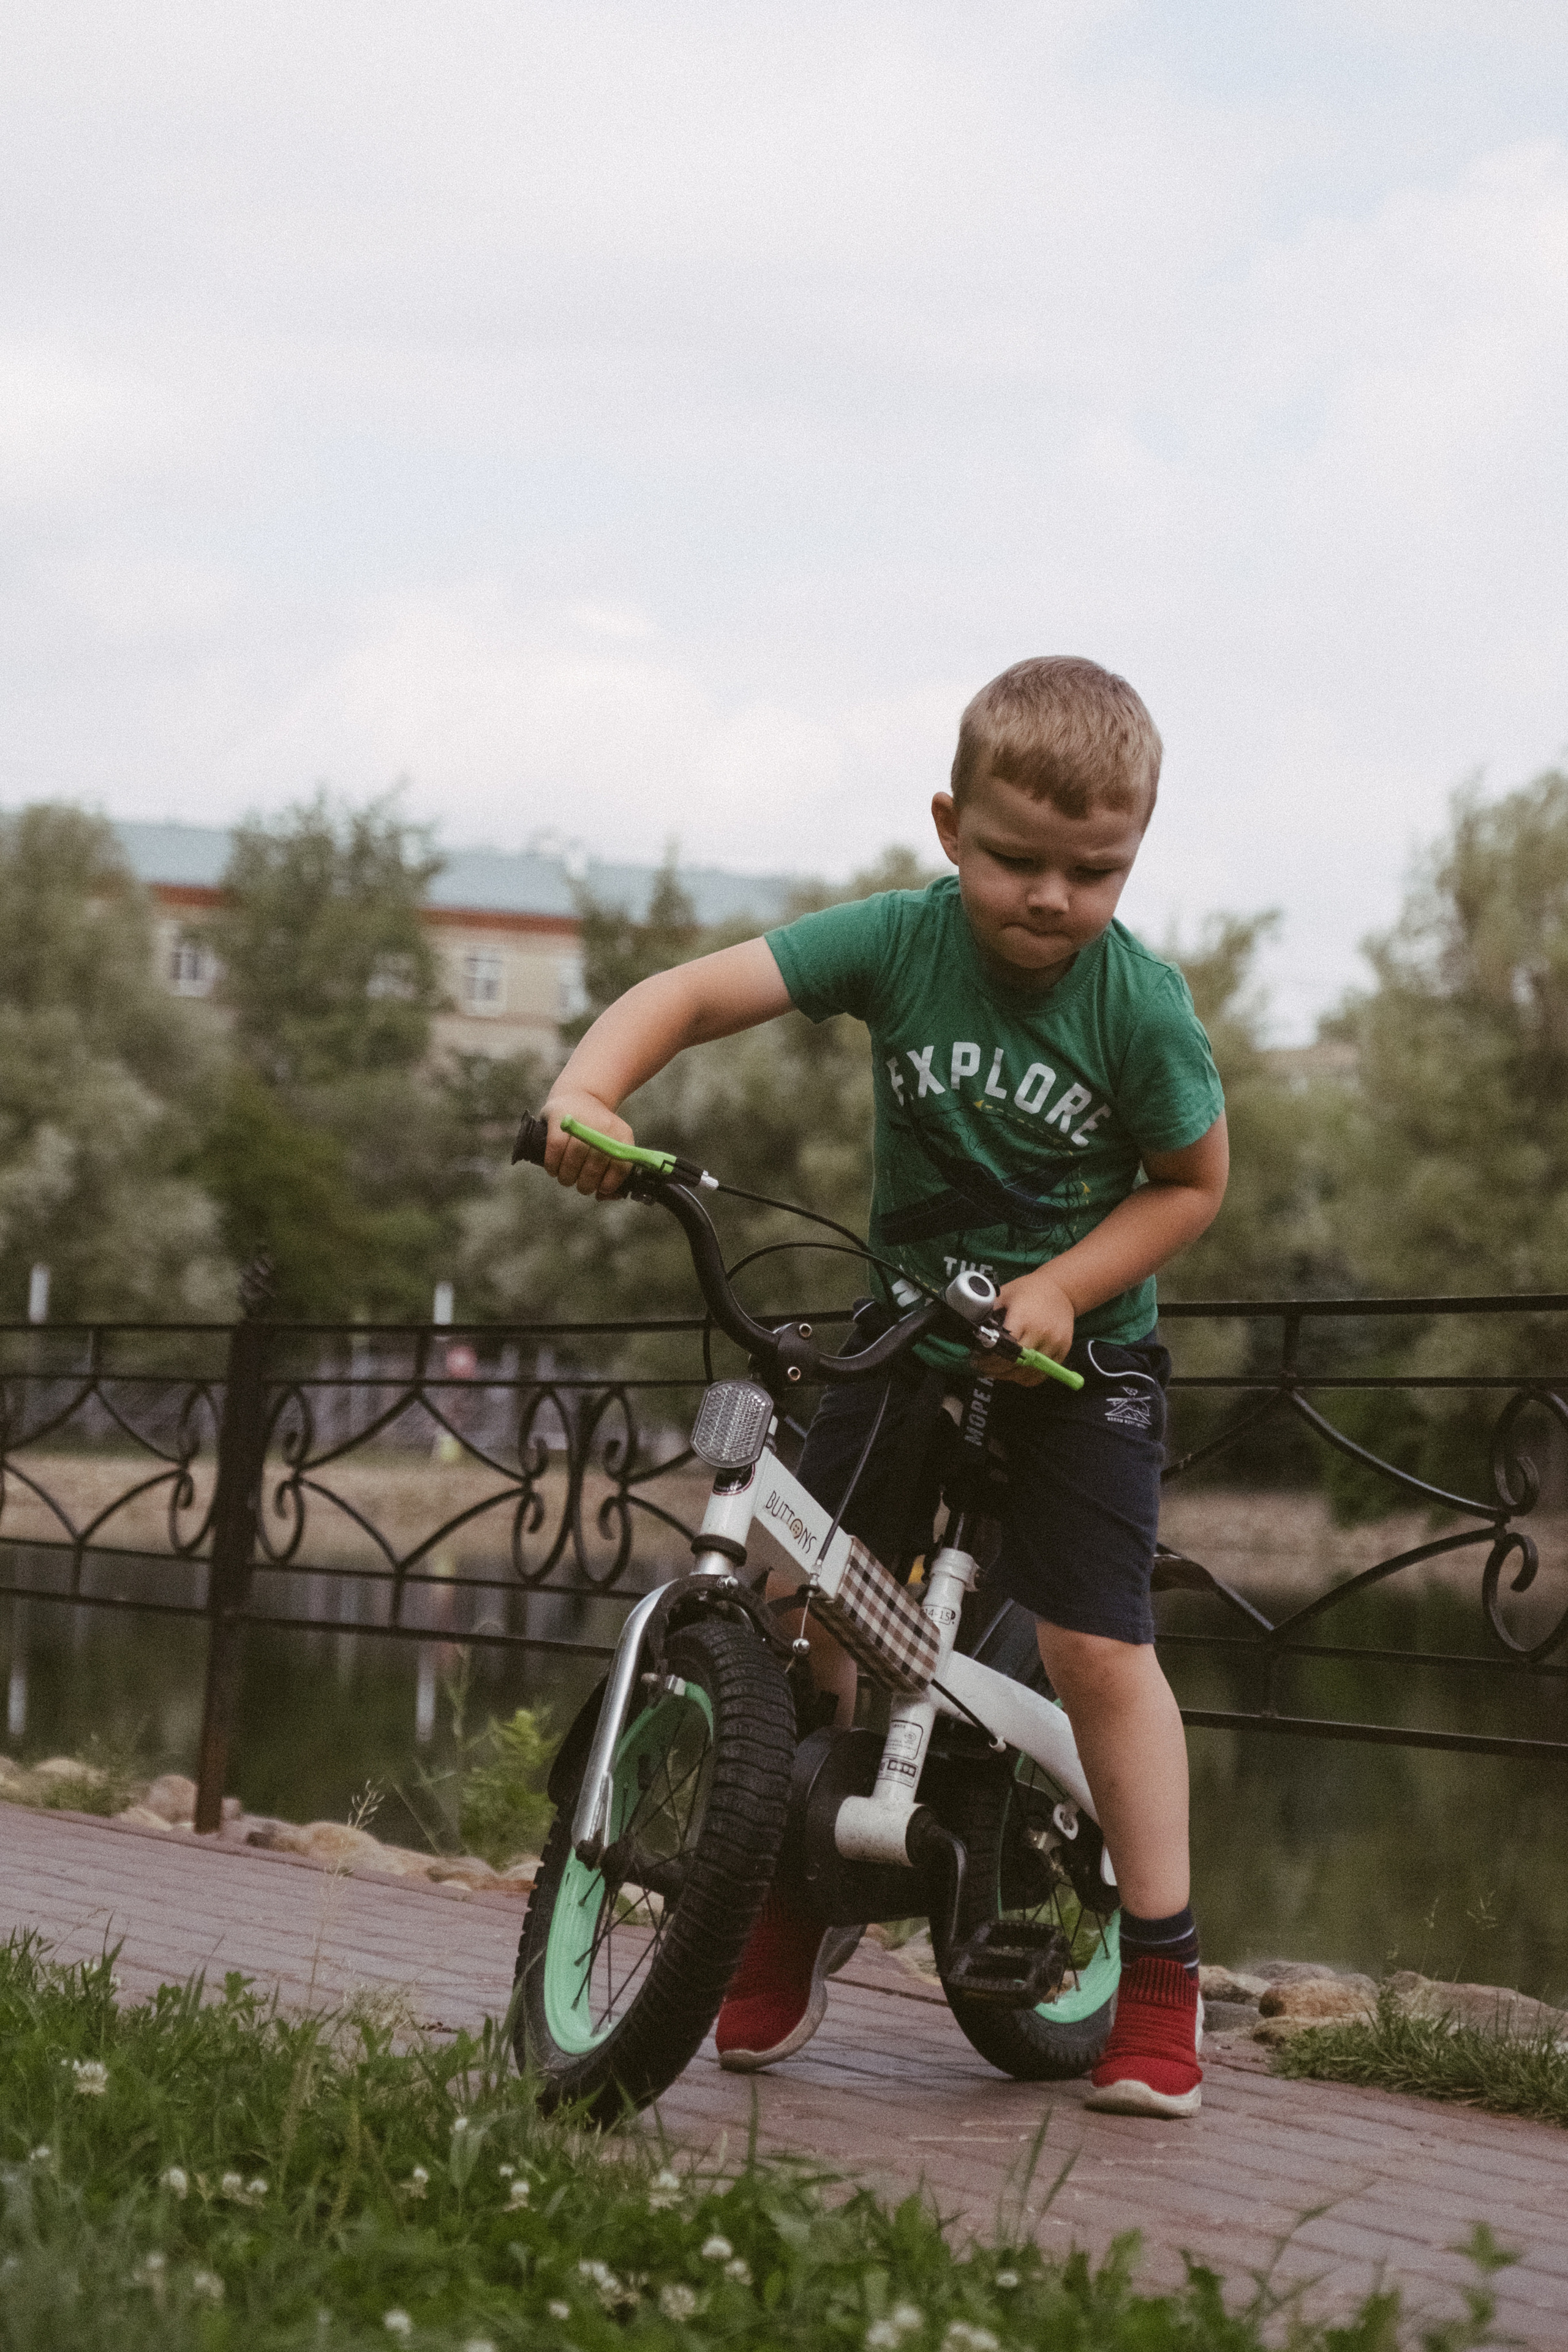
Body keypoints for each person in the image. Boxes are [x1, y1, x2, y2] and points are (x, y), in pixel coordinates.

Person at [540, 655, 1228, 2120]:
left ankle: (1162, 1974)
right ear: (946, 826)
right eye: (1013, 860)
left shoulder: (1138, 1009)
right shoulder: (897, 944)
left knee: (1098, 1649)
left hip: (1076, 1360)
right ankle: (782, 1896)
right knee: (809, 1613)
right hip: (908, 1333)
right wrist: (591, 1094)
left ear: (1131, 857)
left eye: (1091, 871)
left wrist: (1059, 1286)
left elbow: (1190, 1186)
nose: (1049, 897)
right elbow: (691, 990)